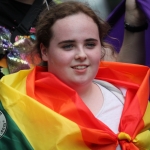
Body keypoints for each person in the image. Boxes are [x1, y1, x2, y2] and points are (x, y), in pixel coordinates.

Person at [0, 1, 149, 149]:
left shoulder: (127, 98)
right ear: (44, 51)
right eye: (68, 46)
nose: (81, 54)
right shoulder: (17, 106)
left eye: (90, 44)